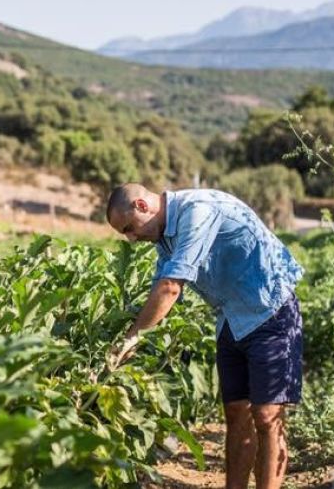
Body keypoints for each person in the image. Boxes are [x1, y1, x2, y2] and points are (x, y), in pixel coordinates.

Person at [105, 183, 303, 489]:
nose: (131, 238)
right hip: (232, 320)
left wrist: (133, 338)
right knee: (237, 414)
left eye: (129, 228)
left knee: (267, 416)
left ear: (143, 206)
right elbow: (158, 289)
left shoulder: (197, 211)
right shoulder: (165, 239)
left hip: (270, 310)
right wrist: (126, 328)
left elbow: (171, 287)